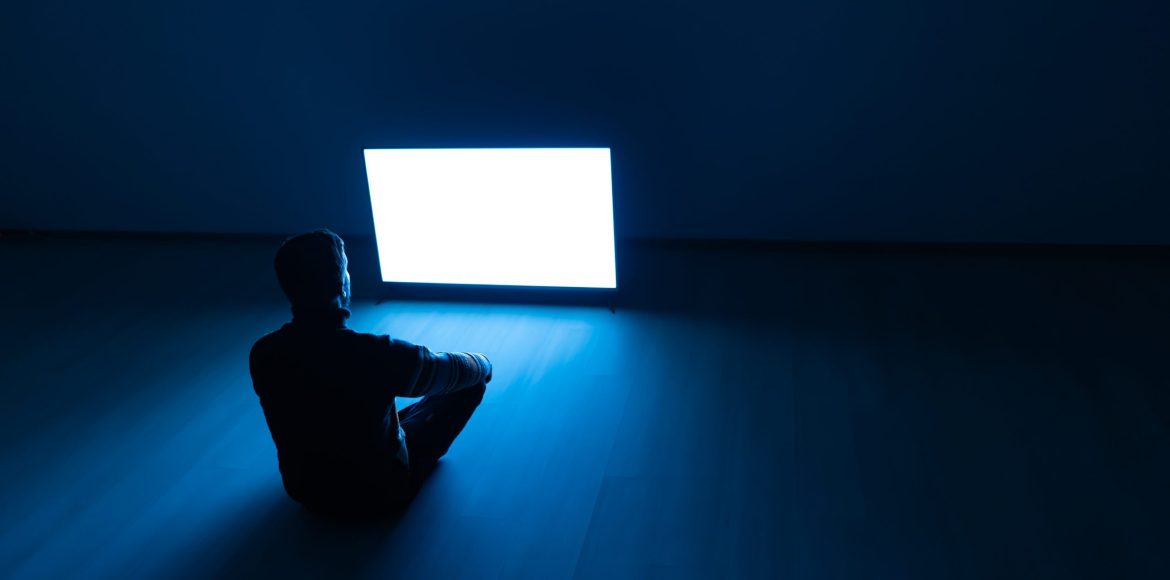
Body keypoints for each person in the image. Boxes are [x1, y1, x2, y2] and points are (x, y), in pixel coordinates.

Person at [249, 229, 491, 516]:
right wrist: (484, 363)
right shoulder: (377, 353)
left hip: (305, 491)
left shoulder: (263, 353)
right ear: (342, 284)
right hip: (382, 493)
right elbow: (451, 371)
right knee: (471, 384)